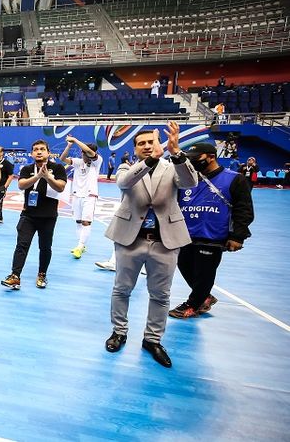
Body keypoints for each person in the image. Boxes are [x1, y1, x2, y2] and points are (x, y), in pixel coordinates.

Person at [104, 123, 197, 368]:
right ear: (135, 148)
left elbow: (190, 182)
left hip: (165, 241)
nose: (147, 146)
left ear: (160, 144)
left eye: (151, 142)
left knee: (161, 294)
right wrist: (150, 161)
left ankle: (152, 339)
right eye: (141, 143)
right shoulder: (127, 167)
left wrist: (176, 153)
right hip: (130, 240)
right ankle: (119, 332)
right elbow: (124, 183)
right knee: (121, 289)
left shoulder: (173, 166)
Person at [169, 143, 254, 319]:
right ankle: (205, 296)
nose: (192, 162)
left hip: (213, 235)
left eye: (196, 158)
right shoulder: (187, 179)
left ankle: (193, 305)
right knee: (183, 265)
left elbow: (244, 210)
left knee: (204, 272)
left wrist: (238, 236)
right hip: (185, 233)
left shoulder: (234, 179)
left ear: (211, 157)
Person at [0, 139, 67, 290]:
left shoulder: (57, 168)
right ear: (31, 154)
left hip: (48, 216)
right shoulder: (27, 169)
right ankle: (15, 276)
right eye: (36, 149)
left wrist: (47, 177)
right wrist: (37, 177)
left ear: (48, 153)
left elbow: (61, 187)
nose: (39, 152)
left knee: (45, 247)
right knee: (21, 245)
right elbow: (21, 185)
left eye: (42, 149)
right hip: (28, 215)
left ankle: (42, 274)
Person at [59, 136, 103, 259]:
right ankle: (81, 245)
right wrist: (69, 145)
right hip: (76, 195)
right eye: (83, 153)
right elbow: (62, 158)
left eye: (86, 153)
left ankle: (80, 246)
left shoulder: (97, 161)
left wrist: (75, 140)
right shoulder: (78, 162)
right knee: (78, 221)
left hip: (90, 195)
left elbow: (89, 151)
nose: (84, 155)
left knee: (86, 222)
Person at [0, 146, 15, 229]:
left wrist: (5, 186)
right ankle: (0, 217)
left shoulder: (7, 164)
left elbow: (11, 176)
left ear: (2, 153)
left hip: (1, 187)